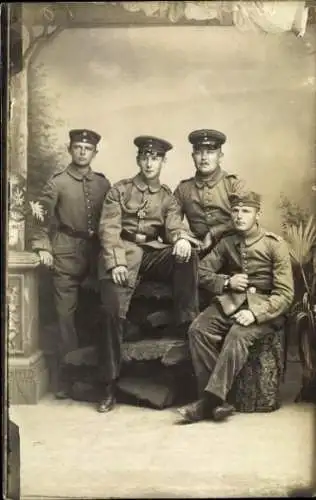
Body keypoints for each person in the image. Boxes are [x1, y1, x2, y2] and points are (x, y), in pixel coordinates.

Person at [97, 135, 200, 413]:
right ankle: (109, 383)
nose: (149, 162)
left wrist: (180, 238)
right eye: (145, 157)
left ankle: (184, 321)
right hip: (123, 252)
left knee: (187, 254)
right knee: (112, 310)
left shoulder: (167, 197)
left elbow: (174, 224)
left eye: (155, 157)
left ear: (163, 161)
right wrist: (116, 263)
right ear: (138, 159)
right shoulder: (119, 190)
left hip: (153, 253)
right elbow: (108, 229)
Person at [177, 190, 294, 424]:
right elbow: (201, 272)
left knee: (237, 335)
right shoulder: (228, 243)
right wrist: (226, 282)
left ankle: (208, 402)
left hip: (267, 310)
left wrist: (255, 313)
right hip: (232, 302)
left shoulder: (274, 245)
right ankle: (220, 401)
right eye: (236, 211)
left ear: (257, 214)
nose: (239, 216)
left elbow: (285, 294)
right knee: (198, 330)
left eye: (246, 211)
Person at [31, 129, 111, 398]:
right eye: (77, 147)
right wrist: (43, 246)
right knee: (65, 317)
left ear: (95, 153)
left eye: (87, 149)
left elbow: (112, 220)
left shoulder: (102, 184)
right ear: (70, 149)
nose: (82, 152)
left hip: (96, 253)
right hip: (65, 251)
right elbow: (40, 218)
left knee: (97, 313)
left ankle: (97, 378)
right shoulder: (58, 182)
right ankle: (68, 378)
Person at [174, 129, 245, 258]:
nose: (204, 158)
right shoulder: (183, 189)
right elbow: (172, 220)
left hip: (235, 249)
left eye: (210, 152)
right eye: (199, 152)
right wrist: (182, 238)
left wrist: (213, 232)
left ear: (220, 156)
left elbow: (246, 218)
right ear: (193, 156)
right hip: (199, 249)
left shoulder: (233, 184)